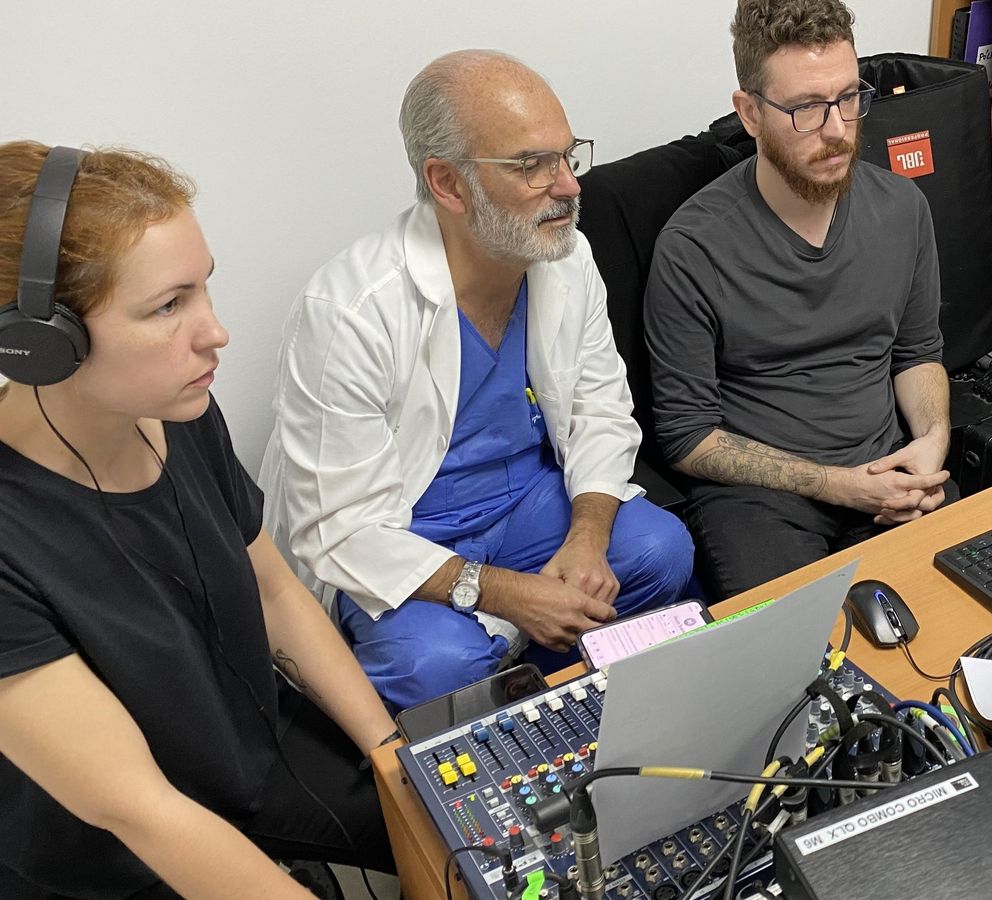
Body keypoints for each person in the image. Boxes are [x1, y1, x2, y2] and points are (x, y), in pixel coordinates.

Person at [0, 142, 396, 899]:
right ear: (44, 342)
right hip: (110, 856)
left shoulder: (179, 409)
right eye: (168, 306)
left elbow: (274, 592)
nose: (215, 333)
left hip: (247, 746)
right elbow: (139, 810)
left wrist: (392, 757)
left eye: (203, 288)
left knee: (456, 826)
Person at [260, 50, 695, 712]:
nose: (569, 186)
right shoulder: (349, 310)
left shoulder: (566, 255)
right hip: (406, 535)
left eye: (567, 155)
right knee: (435, 666)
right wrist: (507, 594)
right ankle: (512, 664)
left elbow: (601, 412)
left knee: (661, 551)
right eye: (531, 165)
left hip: (524, 506)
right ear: (448, 183)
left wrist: (586, 539)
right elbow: (342, 529)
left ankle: (531, 669)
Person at [644, 0, 953, 602]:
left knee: (975, 616)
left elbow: (918, 354)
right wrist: (840, 485)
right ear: (750, 113)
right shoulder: (693, 247)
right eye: (807, 108)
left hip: (889, 472)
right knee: (794, 655)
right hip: (762, 499)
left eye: (848, 97)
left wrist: (932, 441)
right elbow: (687, 437)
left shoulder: (902, 208)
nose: (837, 130)